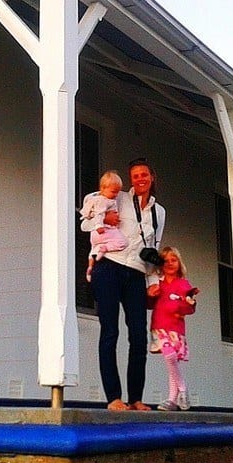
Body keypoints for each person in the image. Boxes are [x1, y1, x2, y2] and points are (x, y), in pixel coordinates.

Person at [82, 158, 165, 411]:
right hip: (110, 266)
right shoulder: (118, 197)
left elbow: (155, 247)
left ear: (152, 177)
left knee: (139, 336)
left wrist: (153, 280)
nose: (140, 179)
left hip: (137, 273)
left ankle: (136, 398)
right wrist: (103, 219)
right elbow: (86, 222)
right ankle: (114, 398)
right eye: (135, 176)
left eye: (144, 175)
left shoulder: (159, 212)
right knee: (110, 332)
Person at [149, 246, 198, 411]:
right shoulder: (158, 283)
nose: (170, 263)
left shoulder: (183, 284)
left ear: (179, 262)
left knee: (172, 363)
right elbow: (149, 302)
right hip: (159, 325)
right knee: (170, 357)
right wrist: (150, 294)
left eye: (173, 260)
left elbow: (189, 306)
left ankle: (171, 399)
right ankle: (183, 390)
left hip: (175, 328)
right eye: (166, 261)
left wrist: (186, 306)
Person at [79, 170, 128, 282]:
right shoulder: (104, 201)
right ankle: (105, 249)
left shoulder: (93, 199)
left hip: (95, 236)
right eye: (114, 192)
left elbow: (85, 213)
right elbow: (98, 215)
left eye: (117, 192)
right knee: (123, 242)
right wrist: (101, 223)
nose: (116, 195)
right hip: (104, 231)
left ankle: (90, 266)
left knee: (93, 250)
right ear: (103, 188)